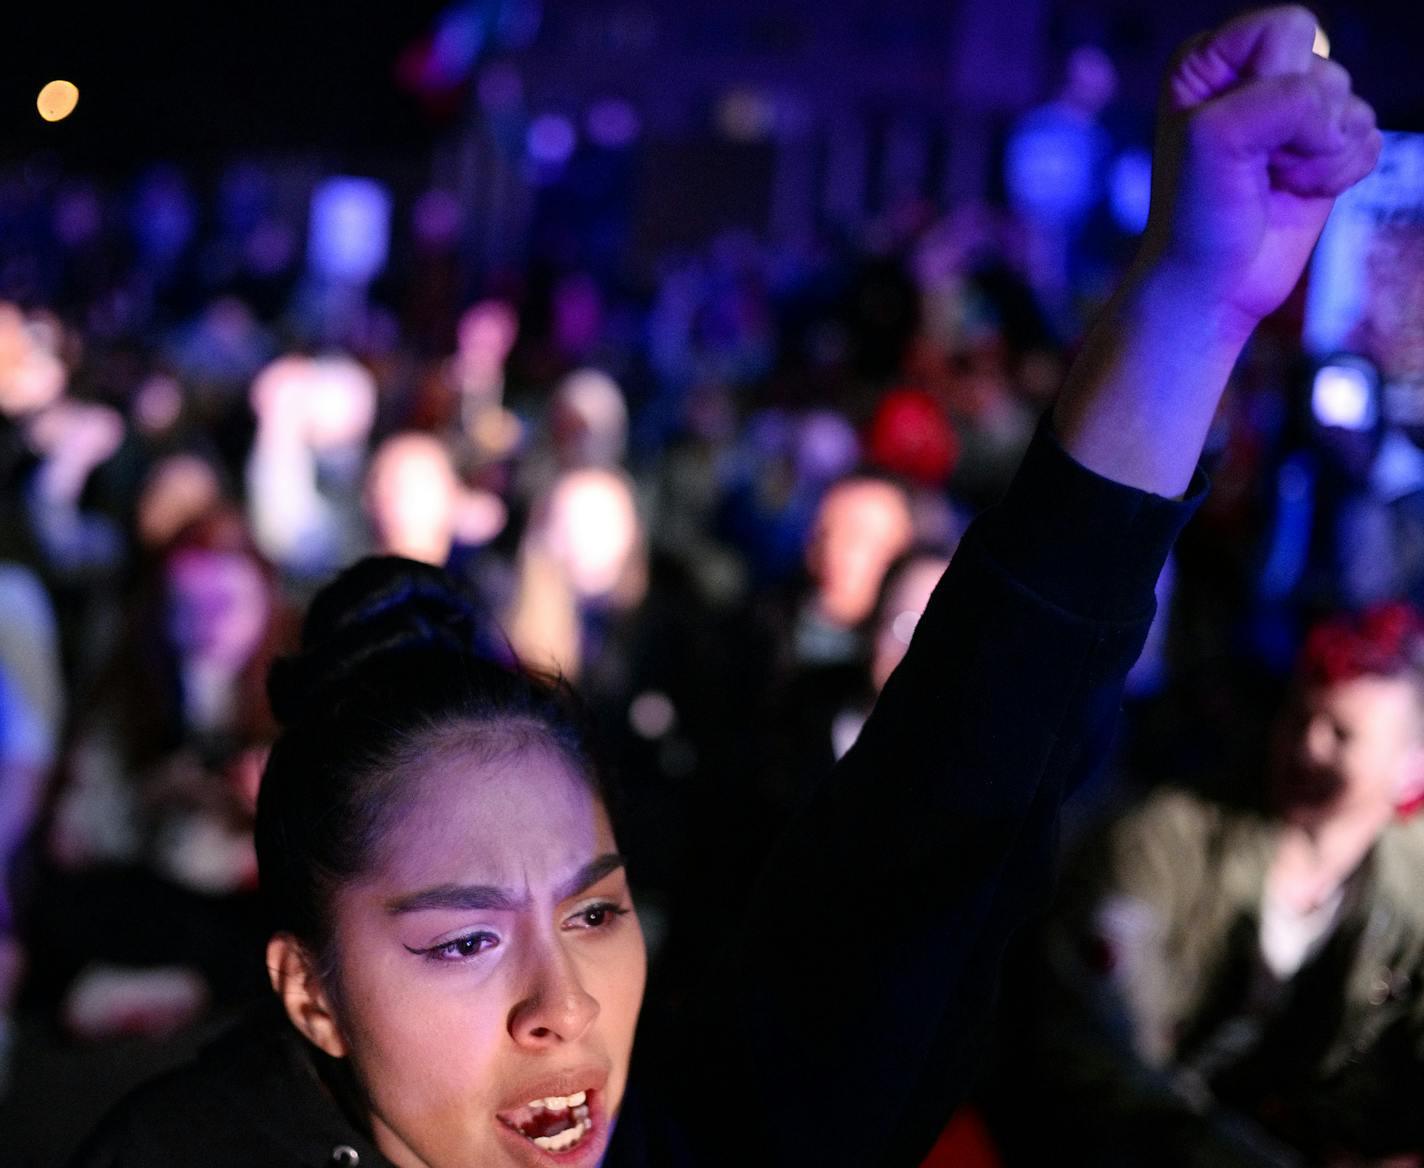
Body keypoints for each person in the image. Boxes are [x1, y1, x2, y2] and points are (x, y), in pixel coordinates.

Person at [70, 8, 1381, 1167]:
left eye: (594, 907)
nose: (562, 1005)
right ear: (309, 994)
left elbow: (951, 790)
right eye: (463, 940)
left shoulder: (697, 1132)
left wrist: (1193, 302)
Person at [1020, 604, 1424, 1167]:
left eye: (1342, 734)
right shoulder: (1167, 842)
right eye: (1298, 717)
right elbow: (1097, 1044)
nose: (1308, 746)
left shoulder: (1413, 892)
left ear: (1412, 766)